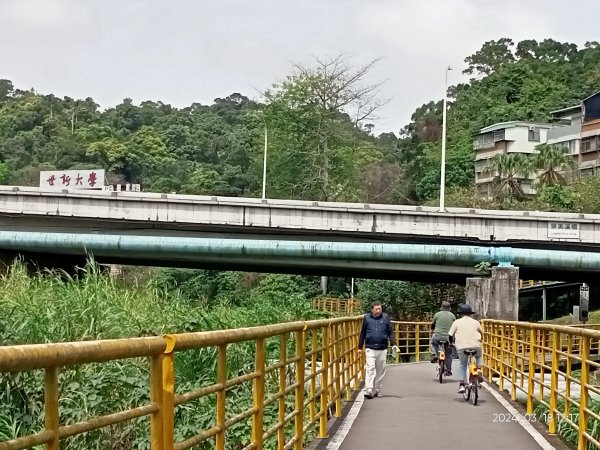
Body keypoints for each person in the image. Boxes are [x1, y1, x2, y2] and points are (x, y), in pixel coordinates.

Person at [358, 302, 394, 399]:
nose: (379, 311)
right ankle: (369, 389)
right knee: (370, 368)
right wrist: (360, 347)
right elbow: (363, 332)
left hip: (382, 348)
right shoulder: (367, 318)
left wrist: (393, 344)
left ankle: (378, 389)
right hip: (370, 347)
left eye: (380, 309)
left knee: (381, 370)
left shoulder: (386, 317)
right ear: (372, 310)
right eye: (377, 309)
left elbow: (390, 331)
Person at [448, 303, 483, 394]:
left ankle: (462, 385)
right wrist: (480, 341)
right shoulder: (476, 322)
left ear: (460, 313)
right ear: (471, 313)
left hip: (462, 347)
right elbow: (482, 333)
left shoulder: (456, 322)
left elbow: (450, 335)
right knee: (479, 356)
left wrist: (451, 343)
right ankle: (479, 369)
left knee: (463, 365)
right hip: (476, 345)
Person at [430, 301, 456, 375]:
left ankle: (434, 354)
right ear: (449, 308)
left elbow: (433, 326)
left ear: (442, 307)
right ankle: (448, 370)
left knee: (433, 343)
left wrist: (431, 332)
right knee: (449, 353)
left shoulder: (437, 315)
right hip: (448, 337)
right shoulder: (452, 316)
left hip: (437, 335)